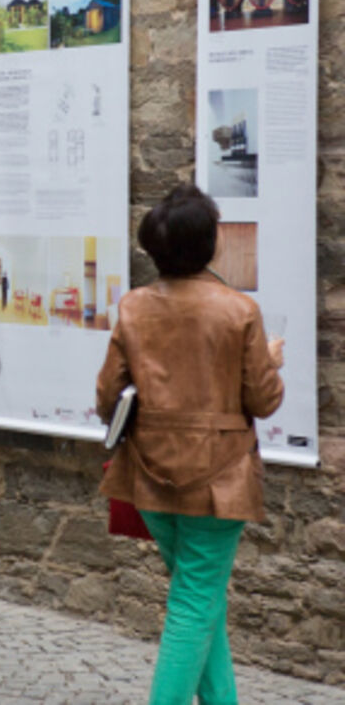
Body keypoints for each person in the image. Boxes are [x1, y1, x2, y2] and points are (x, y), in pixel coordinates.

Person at [98, 184, 284, 705]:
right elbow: (264, 400)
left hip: (150, 475)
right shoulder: (238, 311)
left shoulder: (133, 308)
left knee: (199, 601)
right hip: (219, 481)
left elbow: (107, 396)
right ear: (210, 244)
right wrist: (270, 360)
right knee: (195, 604)